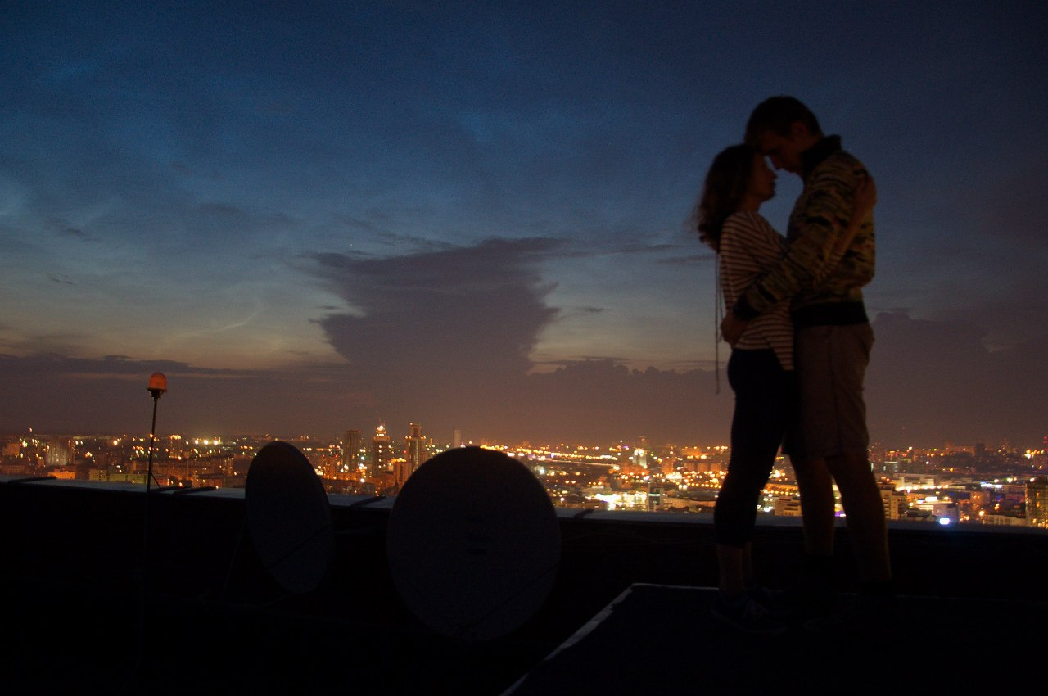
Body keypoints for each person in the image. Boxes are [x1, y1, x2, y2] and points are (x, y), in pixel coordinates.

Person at [720, 96, 893, 630]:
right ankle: (822, 579)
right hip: (813, 331)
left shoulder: (834, 176)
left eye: (775, 150)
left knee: (842, 456)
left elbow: (807, 263)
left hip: (831, 326)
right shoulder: (822, 181)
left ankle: (876, 595)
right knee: (815, 457)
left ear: (799, 130)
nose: (774, 163)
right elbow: (808, 258)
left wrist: (745, 309)